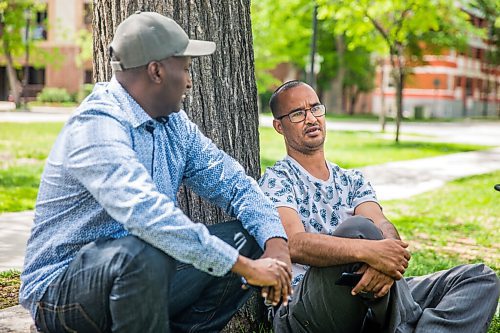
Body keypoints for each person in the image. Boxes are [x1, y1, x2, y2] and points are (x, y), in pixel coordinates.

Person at [20, 12, 292, 332]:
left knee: (248, 236)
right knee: (146, 252)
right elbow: (147, 216)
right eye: (187, 69)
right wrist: (247, 268)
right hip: (61, 295)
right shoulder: (97, 125)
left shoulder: (173, 125)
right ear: (157, 71)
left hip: (142, 273)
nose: (190, 81)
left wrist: (276, 246)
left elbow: (233, 183)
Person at [259, 80, 500, 333]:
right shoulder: (277, 180)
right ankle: (406, 321)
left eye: (315, 108)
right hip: (305, 306)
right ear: (279, 126)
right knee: (359, 228)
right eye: (298, 114)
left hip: (372, 294)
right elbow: (294, 244)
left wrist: (386, 263)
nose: (311, 118)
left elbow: (383, 225)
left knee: (480, 277)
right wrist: (370, 253)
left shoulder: (352, 180)